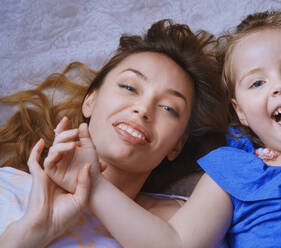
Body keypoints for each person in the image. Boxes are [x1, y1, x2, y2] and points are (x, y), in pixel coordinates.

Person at [43, 2, 281, 247]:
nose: (280, 85)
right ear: (241, 113)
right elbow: (175, 243)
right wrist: (95, 185)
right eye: (256, 83)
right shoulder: (231, 172)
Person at [0, 19, 229, 247]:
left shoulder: (186, 221)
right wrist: (29, 233)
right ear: (90, 100)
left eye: (168, 108)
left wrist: (94, 184)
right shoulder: (7, 185)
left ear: (176, 145)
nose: (143, 109)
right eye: (129, 88)